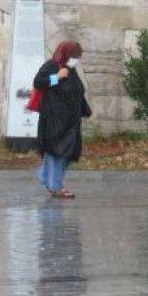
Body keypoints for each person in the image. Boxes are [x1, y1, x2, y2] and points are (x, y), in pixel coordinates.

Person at [34, 41, 92, 198]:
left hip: (70, 122)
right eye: (73, 56)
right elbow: (38, 82)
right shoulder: (52, 66)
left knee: (69, 153)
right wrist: (56, 77)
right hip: (54, 120)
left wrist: (85, 109)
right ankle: (55, 186)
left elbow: (77, 92)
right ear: (65, 54)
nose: (75, 59)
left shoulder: (72, 70)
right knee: (56, 152)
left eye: (77, 57)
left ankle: (46, 176)